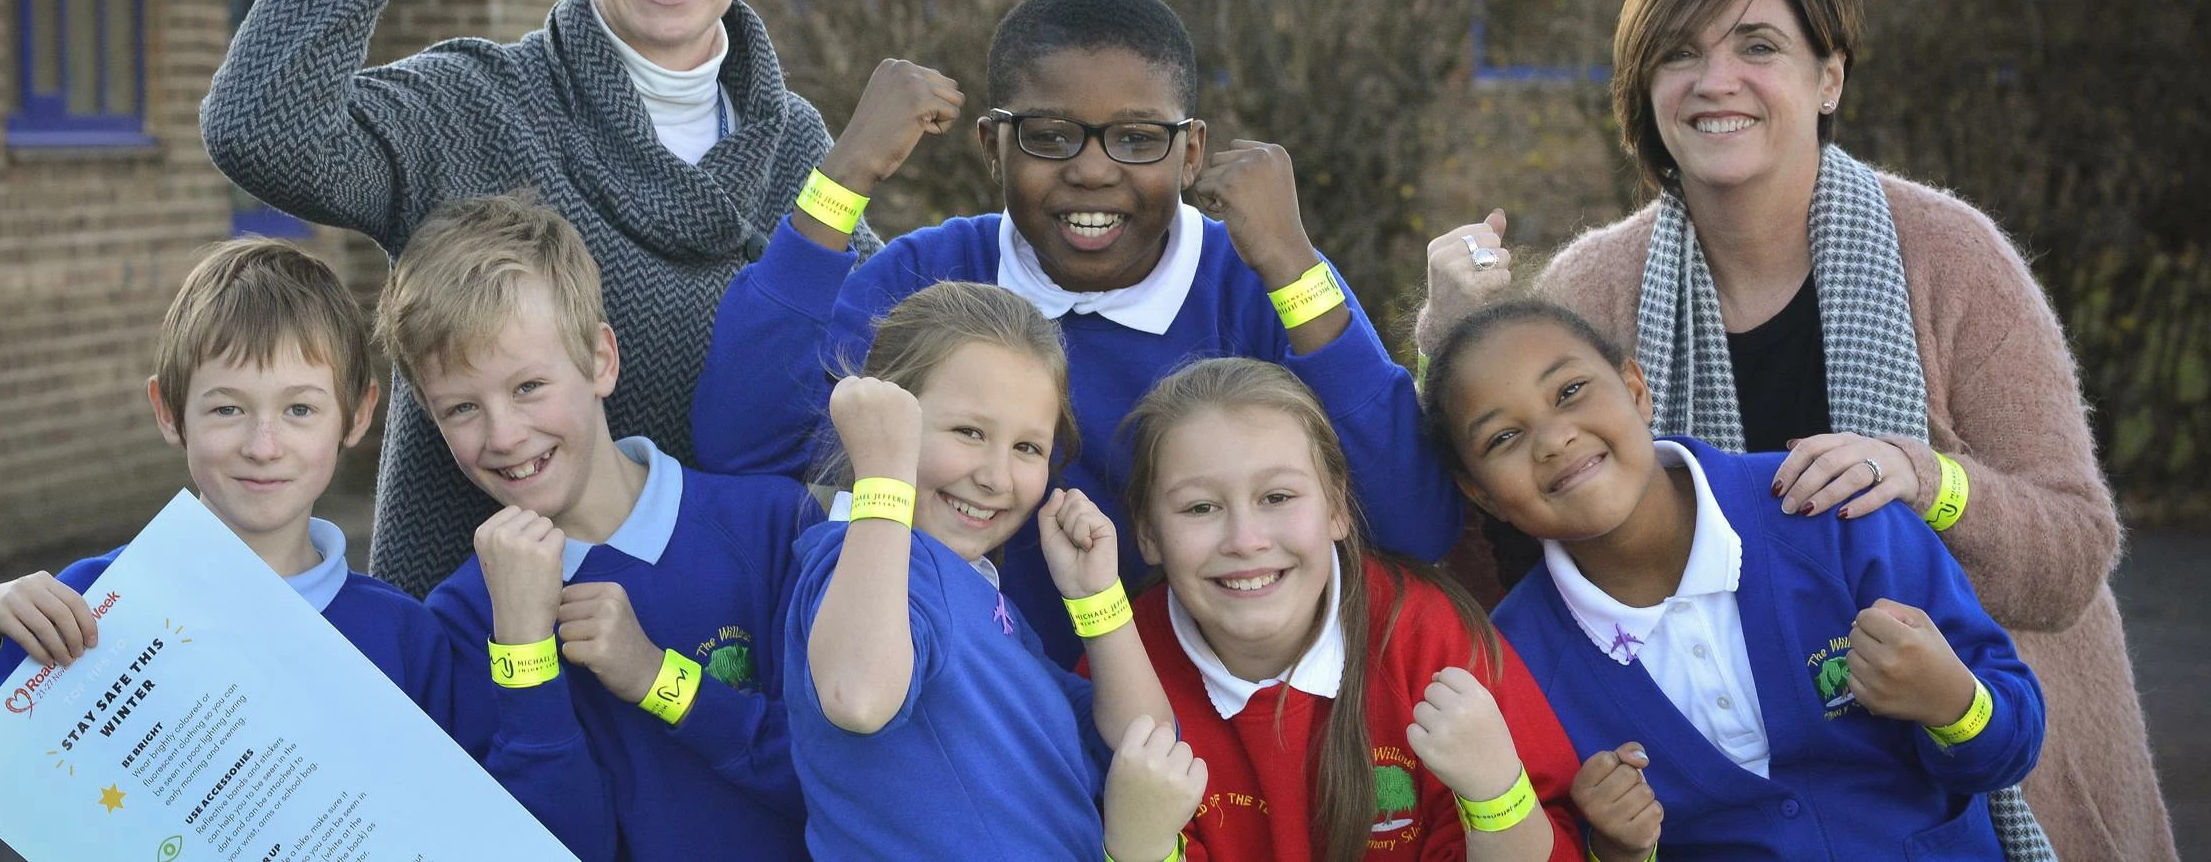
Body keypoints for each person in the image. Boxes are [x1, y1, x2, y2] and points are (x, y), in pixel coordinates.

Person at [1415, 0, 2169, 861]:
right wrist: (1447, 333)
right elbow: (1500, 556)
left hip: (1997, 759)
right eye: (1678, 55)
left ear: (1830, 77)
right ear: (1645, 95)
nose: (1715, 80)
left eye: (1758, 46)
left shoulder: (1952, 256)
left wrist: (1921, 479)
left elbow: (2074, 550)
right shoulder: (1592, 294)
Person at [202, 0, 898, 598]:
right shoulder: (472, 106)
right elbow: (257, 124)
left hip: (705, 677)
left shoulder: (799, 152)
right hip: (473, 662)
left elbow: (895, 375)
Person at [697, 0, 1458, 665]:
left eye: (1137, 139)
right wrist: (845, 173)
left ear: (1191, 152)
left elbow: (1414, 523)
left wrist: (1295, 265)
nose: (1093, 170)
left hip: (1196, 737)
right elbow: (742, 444)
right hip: (978, 720)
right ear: (992, 146)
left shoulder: (1262, 283)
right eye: (1050, 135)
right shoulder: (932, 277)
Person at [0, 239, 473, 833]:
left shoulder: (403, 639)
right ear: (168, 411)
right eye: (227, 409)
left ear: (359, 415)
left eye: (300, 410)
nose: (263, 446)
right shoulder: (87, 609)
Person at [1424, 300, 2045, 860]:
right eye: (1504, 436)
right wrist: (1613, 849)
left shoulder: (1830, 510)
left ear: (1636, 389)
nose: (1555, 439)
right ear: (1482, 494)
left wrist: (1952, 704)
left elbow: (2012, 743)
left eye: (1570, 391)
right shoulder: (1513, 665)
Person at [379, 194, 818, 861]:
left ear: (600, 360)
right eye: (462, 407)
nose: (503, 434)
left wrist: (657, 680)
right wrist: (525, 654)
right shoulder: (468, 615)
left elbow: (841, 775)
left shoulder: (771, 523)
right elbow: (553, 846)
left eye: (528, 386)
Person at [785, 281, 1198, 861]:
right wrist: (884, 476)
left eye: (1028, 448)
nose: (996, 478)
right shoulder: (860, 564)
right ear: (889, 421)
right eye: (970, 432)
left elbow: (1148, 748)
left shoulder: (992, 612)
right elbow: (856, 696)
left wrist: (1096, 598)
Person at [1121, 357, 1586, 861]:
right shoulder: (1124, 670)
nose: (1245, 540)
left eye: (1277, 497)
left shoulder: (1426, 637)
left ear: (1337, 506)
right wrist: (1140, 850)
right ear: (1148, 531)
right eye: (1200, 508)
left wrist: (1496, 795)